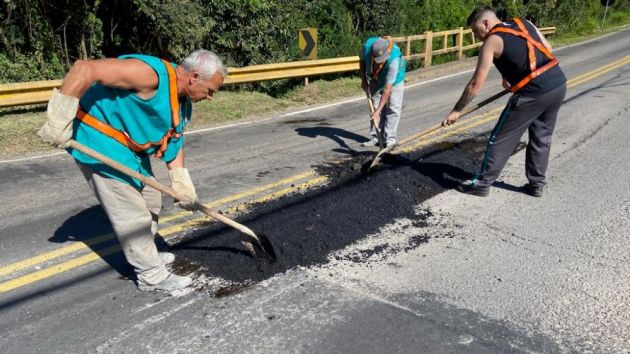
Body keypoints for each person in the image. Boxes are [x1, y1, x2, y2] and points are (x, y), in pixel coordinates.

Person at [38, 49, 227, 291]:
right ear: (194, 77)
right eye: (210, 90)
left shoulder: (182, 102)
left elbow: (174, 139)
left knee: (151, 200)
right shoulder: (149, 75)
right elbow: (84, 69)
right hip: (96, 139)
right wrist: (58, 119)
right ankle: (151, 275)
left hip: (127, 149)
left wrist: (181, 182)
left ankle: (145, 253)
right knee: (131, 211)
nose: (210, 97)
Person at [443, 6, 567, 197]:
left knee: (500, 138)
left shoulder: (492, 41)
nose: (477, 37)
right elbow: (547, 49)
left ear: (486, 23)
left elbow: (476, 84)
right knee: (542, 137)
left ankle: (482, 183)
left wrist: (457, 110)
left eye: (476, 31)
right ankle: (536, 184)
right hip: (557, 83)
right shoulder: (524, 23)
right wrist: (516, 76)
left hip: (533, 92)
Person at [359, 36, 406, 148]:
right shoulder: (366, 48)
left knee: (393, 108)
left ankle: (390, 139)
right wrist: (363, 79)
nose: (379, 63)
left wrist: (379, 111)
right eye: (377, 60)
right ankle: (375, 137)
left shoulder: (394, 59)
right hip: (376, 78)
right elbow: (361, 61)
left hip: (394, 81)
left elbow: (387, 89)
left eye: (382, 60)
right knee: (374, 108)